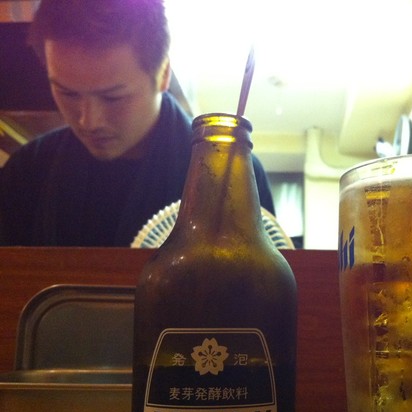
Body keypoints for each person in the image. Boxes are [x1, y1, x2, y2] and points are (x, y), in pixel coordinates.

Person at [0, 0, 274, 247]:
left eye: (113, 97)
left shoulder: (232, 175)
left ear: (163, 74)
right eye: (67, 93)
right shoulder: (27, 171)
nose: (89, 121)